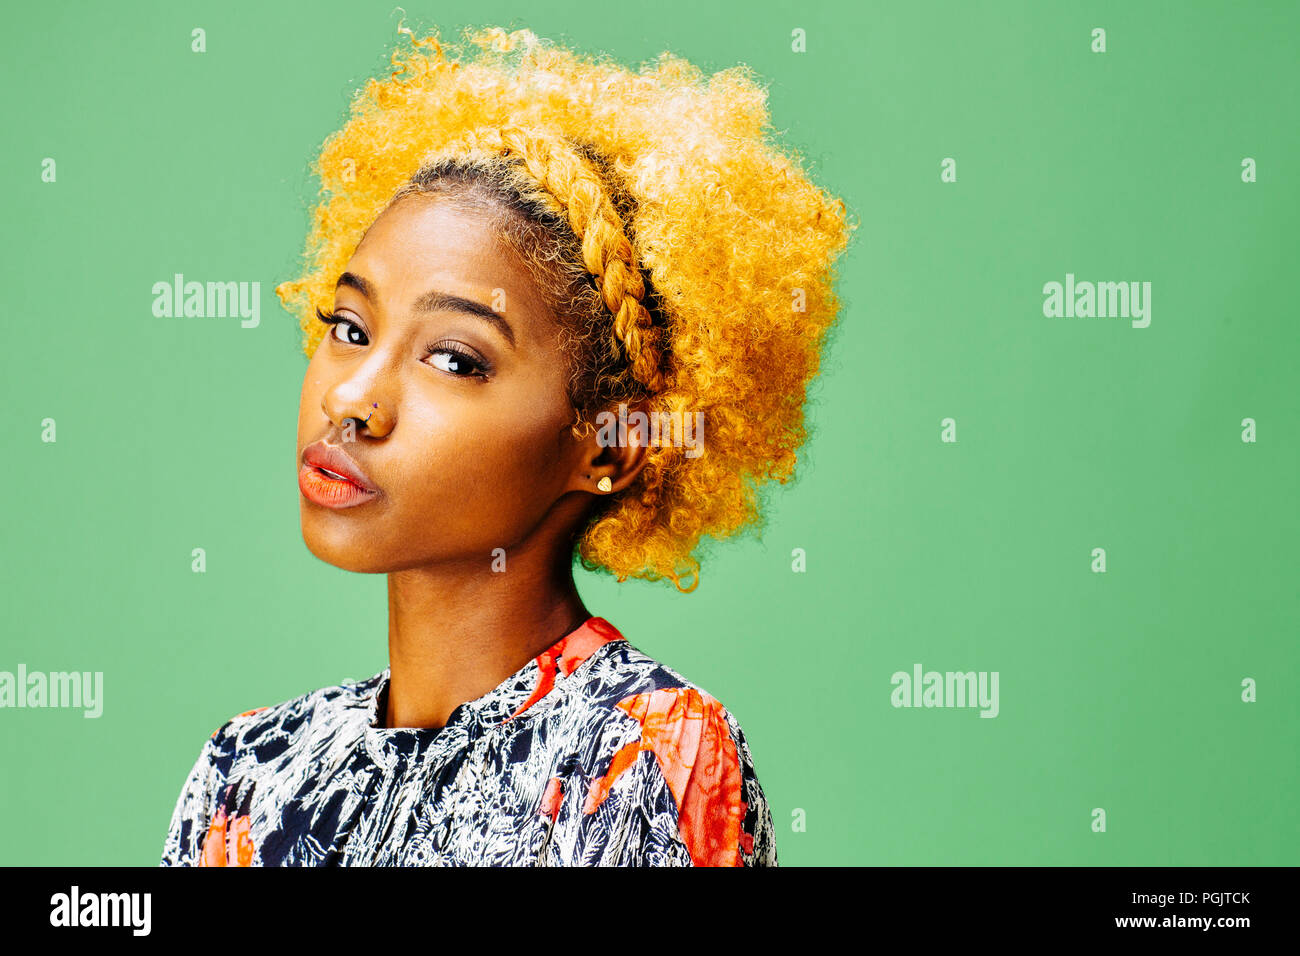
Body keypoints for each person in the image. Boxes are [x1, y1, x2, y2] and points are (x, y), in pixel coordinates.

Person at [161, 23, 853, 866]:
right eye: (348, 326)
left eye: (454, 358)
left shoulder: (645, 754)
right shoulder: (249, 772)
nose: (349, 398)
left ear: (609, 446)